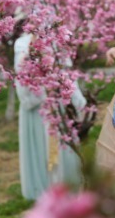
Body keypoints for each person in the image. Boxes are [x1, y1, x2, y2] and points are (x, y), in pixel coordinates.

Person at [14, 21, 85, 200]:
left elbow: (67, 74)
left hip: (59, 104)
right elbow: (21, 78)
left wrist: (75, 99)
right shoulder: (23, 45)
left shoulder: (57, 43)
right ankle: (47, 191)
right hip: (39, 108)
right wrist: (42, 91)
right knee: (43, 149)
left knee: (64, 148)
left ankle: (66, 189)